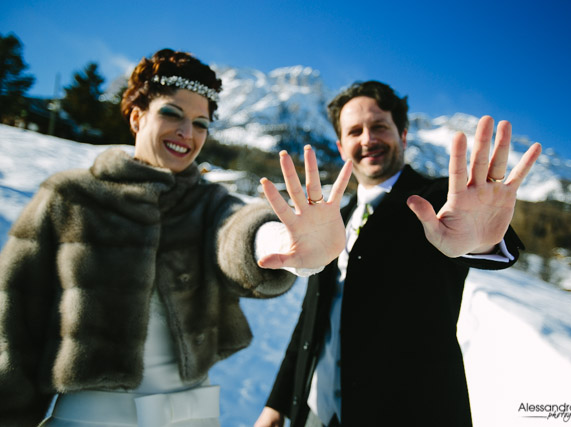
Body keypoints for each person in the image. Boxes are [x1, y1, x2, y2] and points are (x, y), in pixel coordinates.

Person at [0, 48, 352, 426]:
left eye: (201, 123)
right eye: (172, 114)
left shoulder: (209, 202)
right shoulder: (69, 196)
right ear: (137, 117)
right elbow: (14, 333)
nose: (187, 133)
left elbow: (236, 231)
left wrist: (281, 242)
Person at [254, 80, 542, 427]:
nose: (367, 139)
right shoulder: (334, 218)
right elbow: (312, 320)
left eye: (379, 127)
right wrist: (278, 402)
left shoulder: (437, 201)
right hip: (316, 411)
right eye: (355, 131)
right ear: (340, 146)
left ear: (403, 135)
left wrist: (482, 242)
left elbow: (484, 243)